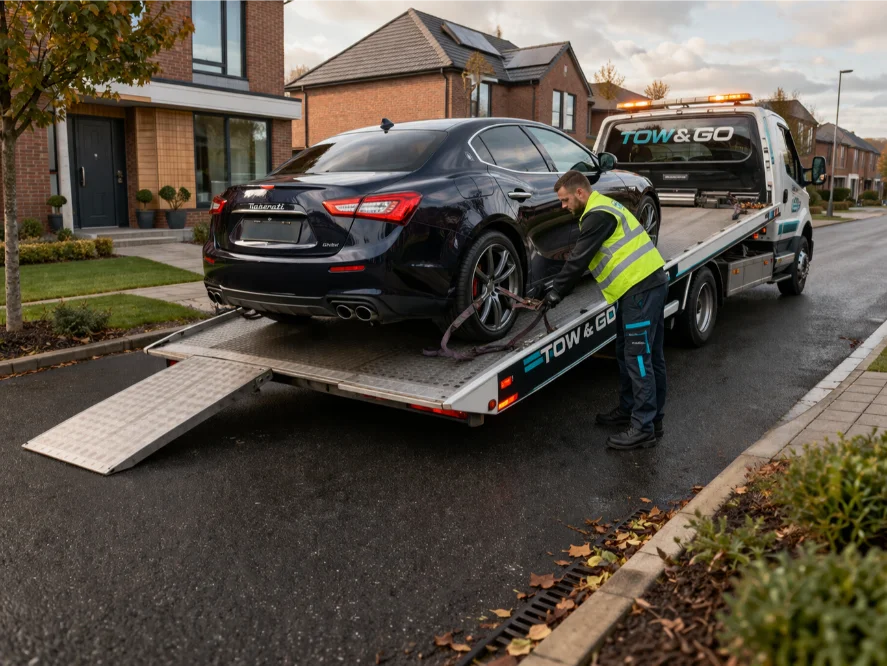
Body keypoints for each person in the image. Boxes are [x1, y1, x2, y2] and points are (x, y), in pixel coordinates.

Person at [544, 170, 668, 450]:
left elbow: (578, 259)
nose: (563, 207)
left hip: (640, 289)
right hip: (642, 287)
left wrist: (555, 293)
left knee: (638, 359)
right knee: (637, 354)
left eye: (564, 201)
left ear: (579, 193)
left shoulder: (597, 214)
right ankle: (635, 413)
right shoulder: (603, 206)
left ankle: (644, 427)